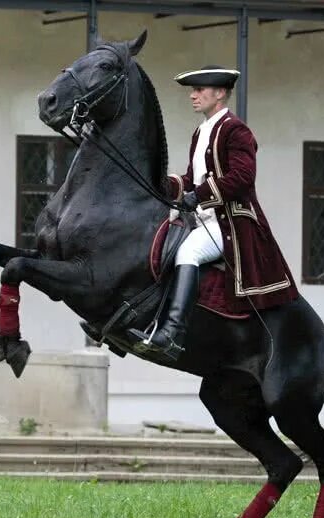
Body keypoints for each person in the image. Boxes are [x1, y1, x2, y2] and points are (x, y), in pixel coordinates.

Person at [129, 65, 298, 361]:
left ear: (219, 93)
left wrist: (199, 195)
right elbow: (192, 178)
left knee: (188, 253)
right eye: (192, 91)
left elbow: (242, 177)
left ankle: (172, 332)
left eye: (199, 90)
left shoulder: (236, 130)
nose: (193, 96)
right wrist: (163, 184)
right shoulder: (201, 131)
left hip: (232, 223)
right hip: (204, 219)